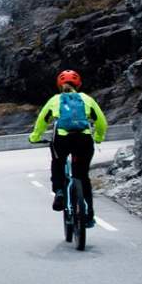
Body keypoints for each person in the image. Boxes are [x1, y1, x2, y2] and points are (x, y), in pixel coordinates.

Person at [29, 69, 108, 217]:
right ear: (78, 84)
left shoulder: (55, 100)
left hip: (62, 139)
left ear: (59, 85)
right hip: (84, 139)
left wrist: (34, 137)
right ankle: (89, 213)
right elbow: (102, 122)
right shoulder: (87, 99)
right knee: (83, 176)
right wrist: (98, 137)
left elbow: (42, 121)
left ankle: (59, 191)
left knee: (58, 163)